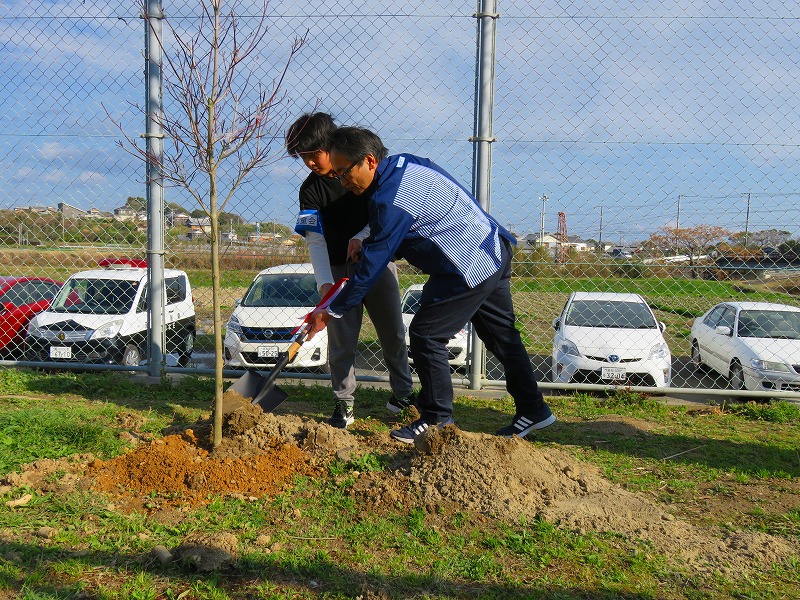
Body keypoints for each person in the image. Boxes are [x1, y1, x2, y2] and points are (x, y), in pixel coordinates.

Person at [307, 126, 556, 443]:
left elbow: (371, 267)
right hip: (492, 247)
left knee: (426, 334)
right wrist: (366, 242)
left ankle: (437, 418)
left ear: (368, 161)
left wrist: (333, 310)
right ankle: (534, 410)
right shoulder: (407, 164)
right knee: (502, 337)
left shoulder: (389, 199)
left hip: (466, 263)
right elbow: (419, 222)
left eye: (344, 173)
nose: (343, 181)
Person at [285, 113, 416, 429]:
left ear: (331, 146)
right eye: (303, 159)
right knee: (342, 340)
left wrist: (361, 238)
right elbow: (315, 240)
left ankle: (403, 395)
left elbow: (383, 218)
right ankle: (344, 403)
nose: (310, 164)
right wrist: (325, 284)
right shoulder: (310, 192)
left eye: (313, 155)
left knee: (393, 334)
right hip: (336, 269)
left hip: (376, 263)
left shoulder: (366, 175)